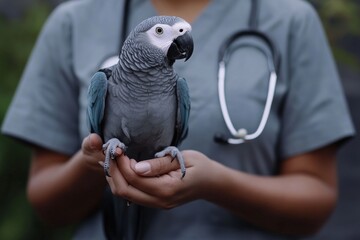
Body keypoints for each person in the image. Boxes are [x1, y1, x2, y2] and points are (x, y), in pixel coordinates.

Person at [1, 0, 355, 239]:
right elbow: (47, 205)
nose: (180, 39)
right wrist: (95, 162)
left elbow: (317, 198)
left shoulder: (291, 18)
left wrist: (215, 183)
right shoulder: (74, 21)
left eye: (179, 34)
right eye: (161, 33)